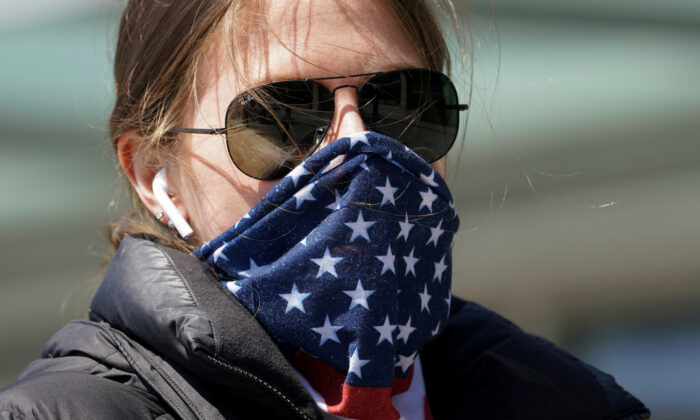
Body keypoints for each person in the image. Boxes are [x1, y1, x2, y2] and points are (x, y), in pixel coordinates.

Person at [0, 1, 650, 419]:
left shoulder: (574, 405)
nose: (355, 146)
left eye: (401, 104)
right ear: (153, 174)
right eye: (284, 118)